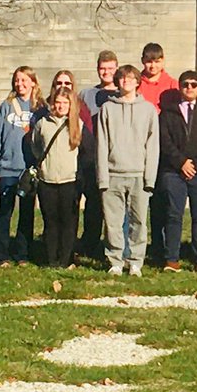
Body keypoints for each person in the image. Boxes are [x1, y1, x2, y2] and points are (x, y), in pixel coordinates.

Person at [96, 64, 160, 276]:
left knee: (138, 221)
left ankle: (135, 262)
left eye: (131, 78)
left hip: (138, 175)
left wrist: (149, 178)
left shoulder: (148, 110)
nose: (127, 82)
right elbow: (102, 144)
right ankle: (115, 260)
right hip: (113, 174)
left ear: (137, 82)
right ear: (118, 81)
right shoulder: (107, 108)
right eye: (123, 78)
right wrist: (102, 177)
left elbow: (153, 146)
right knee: (113, 222)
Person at [158, 69, 197, 273]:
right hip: (174, 172)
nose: (189, 88)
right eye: (185, 84)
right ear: (180, 87)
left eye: (194, 85)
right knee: (173, 215)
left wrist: (196, 165)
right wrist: (181, 163)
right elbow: (164, 141)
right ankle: (171, 259)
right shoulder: (168, 113)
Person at [0, 66, 44, 267]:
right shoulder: (6, 106)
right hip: (8, 168)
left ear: (33, 82)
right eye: (17, 80)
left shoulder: (40, 108)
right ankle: (0, 255)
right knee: (5, 212)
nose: (20, 84)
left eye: (24, 80)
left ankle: (23, 254)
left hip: (29, 170)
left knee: (27, 214)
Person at [31, 88, 84, 269]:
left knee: (68, 222)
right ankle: (51, 259)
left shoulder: (78, 124)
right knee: (51, 221)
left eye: (65, 103)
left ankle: (66, 259)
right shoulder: (42, 124)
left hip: (70, 181)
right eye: (58, 102)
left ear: (71, 105)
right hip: (48, 180)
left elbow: (84, 152)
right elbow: (36, 146)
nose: (61, 106)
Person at [137, 42, 179, 266]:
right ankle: (137, 244)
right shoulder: (136, 83)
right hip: (139, 147)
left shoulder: (171, 85)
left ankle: (160, 245)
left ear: (163, 61)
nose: (152, 66)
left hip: (163, 148)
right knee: (140, 198)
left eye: (157, 61)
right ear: (143, 62)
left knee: (161, 200)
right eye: (148, 61)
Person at [78, 50, 120, 261]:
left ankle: (114, 246)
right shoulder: (86, 95)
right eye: (103, 68)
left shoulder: (123, 93)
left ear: (116, 69)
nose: (106, 72)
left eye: (110, 68)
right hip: (92, 155)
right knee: (93, 203)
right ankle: (90, 243)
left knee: (115, 206)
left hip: (116, 156)